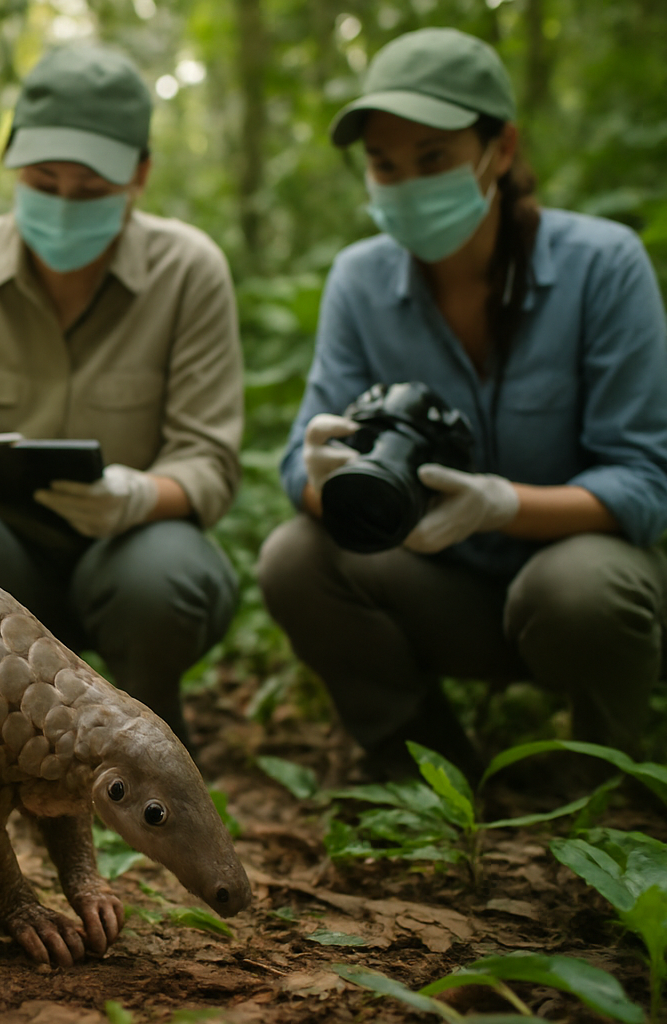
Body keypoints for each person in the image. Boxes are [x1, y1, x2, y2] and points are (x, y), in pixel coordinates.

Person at [257, 27, 667, 779]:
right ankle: (423, 765)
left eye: (433, 159)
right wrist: (323, 479)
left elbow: (647, 484)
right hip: (442, 588)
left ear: (500, 150)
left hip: (576, 592)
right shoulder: (359, 281)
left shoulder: (603, 267)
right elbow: (297, 466)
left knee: (578, 588)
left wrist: (504, 505)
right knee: (294, 558)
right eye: (385, 164)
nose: (406, 184)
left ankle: (605, 781)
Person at [0, 45, 243, 748]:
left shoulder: (189, 271)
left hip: (127, 556)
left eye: (89, 190)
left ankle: (148, 734)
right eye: (41, 180)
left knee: (159, 579)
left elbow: (209, 460)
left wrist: (140, 497)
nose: (62, 205)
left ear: (139, 175)